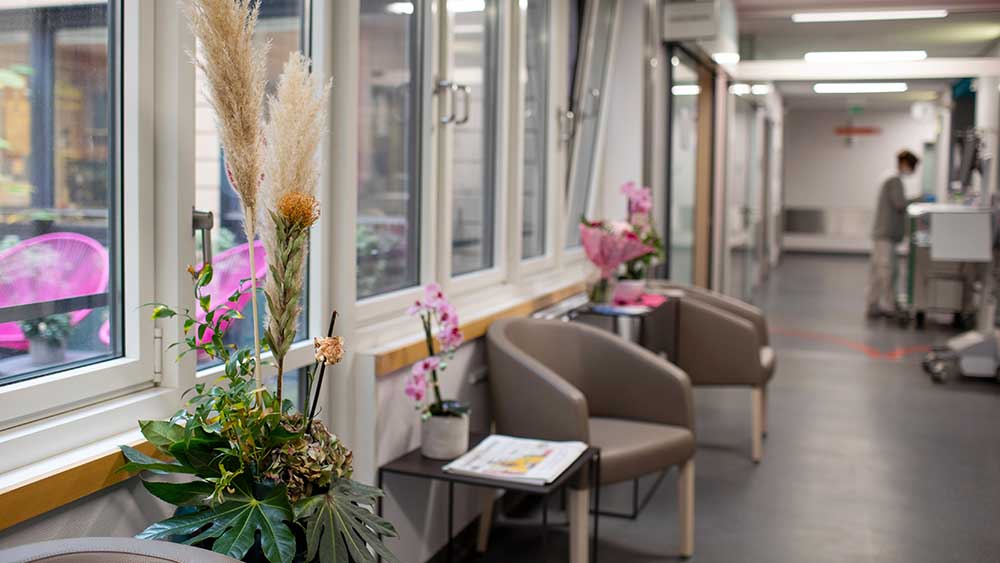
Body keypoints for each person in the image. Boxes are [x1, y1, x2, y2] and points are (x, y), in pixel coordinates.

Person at [866, 150, 921, 318]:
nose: (912, 171)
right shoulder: (894, 180)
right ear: (904, 163)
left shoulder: (889, 178)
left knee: (878, 272)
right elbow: (899, 204)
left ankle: (873, 304)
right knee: (887, 272)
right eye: (912, 167)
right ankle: (889, 306)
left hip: (883, 234)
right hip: (886, 235)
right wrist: (918, 199)